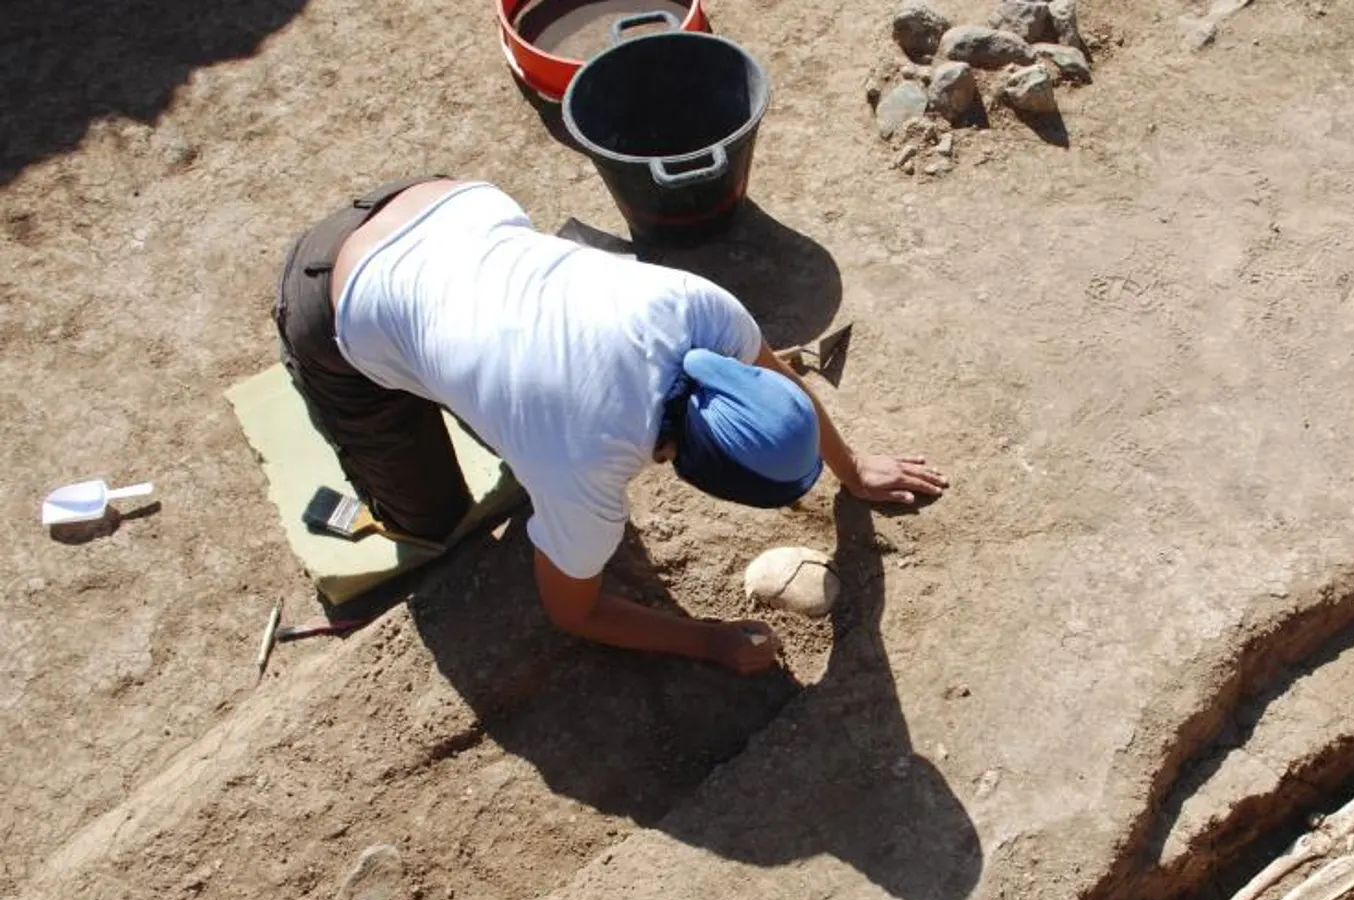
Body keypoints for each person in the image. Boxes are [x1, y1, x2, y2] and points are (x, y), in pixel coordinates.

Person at [274, 176, 948, 674]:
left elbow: (777, 376)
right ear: (683, 466)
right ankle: (349, 384)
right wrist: (709, 641)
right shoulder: (582, 464)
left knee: (503, 414)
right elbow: (574, 611)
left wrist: (852, 467)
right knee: (433, 518)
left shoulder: (700, 310)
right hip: (334, 291)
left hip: (447, 201)